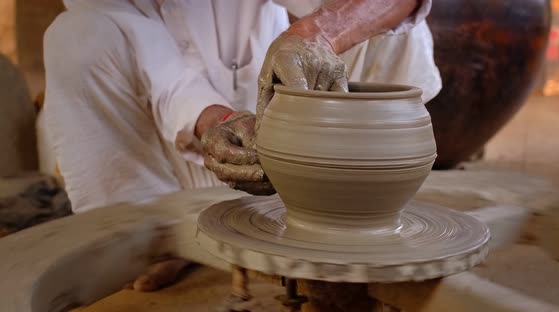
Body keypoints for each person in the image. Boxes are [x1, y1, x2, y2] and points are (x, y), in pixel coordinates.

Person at [43, 0, 441, 291]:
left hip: (288, 132)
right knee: (77, 37)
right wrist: (219, 120)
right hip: (179, 162)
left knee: (390, 24)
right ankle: (150, 237)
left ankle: (361, 219)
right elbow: (161, 72)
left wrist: (316, 35)